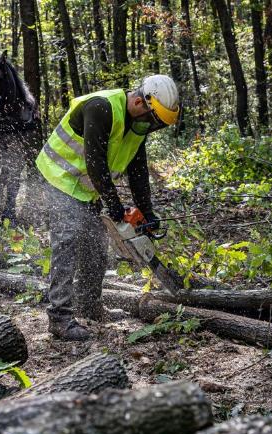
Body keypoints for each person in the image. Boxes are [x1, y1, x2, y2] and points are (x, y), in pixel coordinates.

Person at [35, 74, 181, 341]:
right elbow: (96, 162)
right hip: (60, 176)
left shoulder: (138, 126)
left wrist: (146, 212)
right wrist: (114, 205)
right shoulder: (101, 108)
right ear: (139, 102)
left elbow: (137, 171)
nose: (152, 126)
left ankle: (90, 306)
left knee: (96, 245)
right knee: (67, 241)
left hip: (87, 187)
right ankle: (60, 317)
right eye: (152, 119)